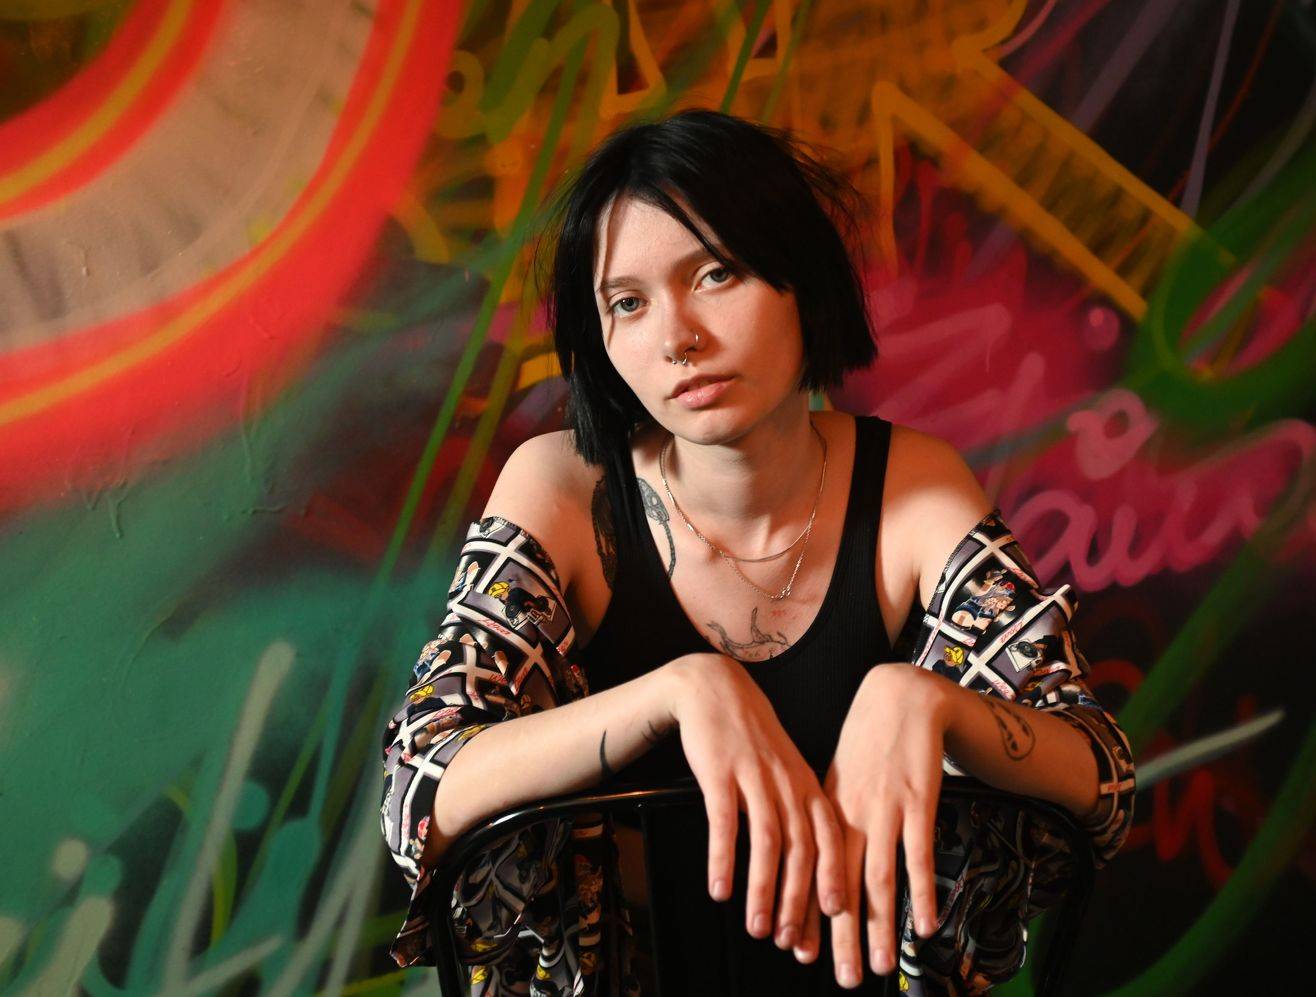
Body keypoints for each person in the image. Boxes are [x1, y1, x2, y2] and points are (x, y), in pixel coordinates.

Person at [380, 108, 1135, 996]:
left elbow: (1102, 779)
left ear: (800, 279)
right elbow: (420, 791)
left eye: (715, 273)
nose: (677, 337)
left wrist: (925, 701)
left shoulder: (910, 486)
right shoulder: (566, 490)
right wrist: (681, 691)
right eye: (628, 303)